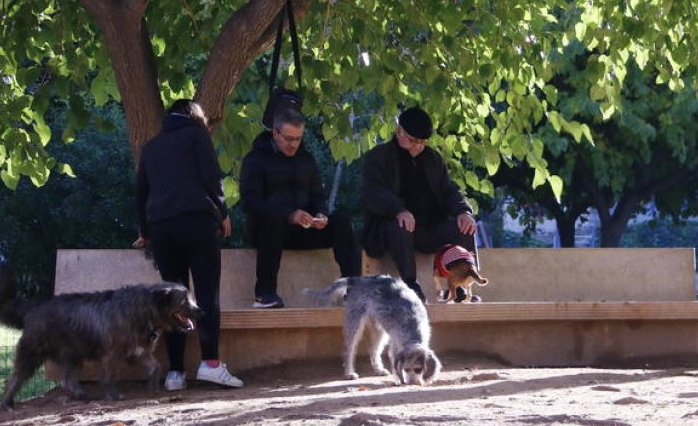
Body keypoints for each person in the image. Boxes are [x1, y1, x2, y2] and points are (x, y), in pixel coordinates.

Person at [133, 99, 243, 390]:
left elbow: (141, 193)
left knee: (173, 300)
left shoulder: (151, 147)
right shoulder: (197, 136)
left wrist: (146, 231)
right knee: (207, 293)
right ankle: (210, 364)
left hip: (162, 229)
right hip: (196, 220)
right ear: (195, 116)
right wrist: (222, 213)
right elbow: (211, 178)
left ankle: (176, 374)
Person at [239, 107, 361, 309]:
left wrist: (321, 215)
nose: (293, 144)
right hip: (269, 230)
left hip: (304, 229)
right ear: (275, 133)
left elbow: (317, 197)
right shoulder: (255, 160)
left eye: (298, 138)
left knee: (342, 221)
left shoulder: (306, 160)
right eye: (288, 138)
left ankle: (355, 290)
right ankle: (264, 294)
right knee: (273, 222)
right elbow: (250, 203)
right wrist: (289, 215)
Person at [361, 106, 477, 302]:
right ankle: (411, 284)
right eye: (413, 141)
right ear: (399, 132)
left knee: (464, 227)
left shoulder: (433, 159)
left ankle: (462, 285)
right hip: (392, 229)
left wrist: (463, 211)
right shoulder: (378, 157)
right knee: (401, 224)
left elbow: (448, 189)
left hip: (429, 228)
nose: (418, 147)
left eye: (423, 142)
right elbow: (373, 192)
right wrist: (398, 210)